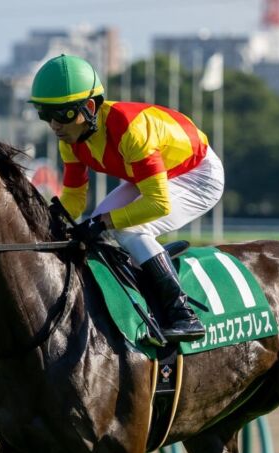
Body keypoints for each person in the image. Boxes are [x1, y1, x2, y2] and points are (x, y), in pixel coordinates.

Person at [29, 54, 224, 343]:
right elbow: (74, 199)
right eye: (45, 114)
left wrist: (103, 222)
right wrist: (44, 223)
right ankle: (146, 268)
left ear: (89, 107)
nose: (55, 125)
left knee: (125, 228)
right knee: (100, 231)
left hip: (197, 175)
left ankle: (183, 315)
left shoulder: (130, 129)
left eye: (63, 114)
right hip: (155, 177)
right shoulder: (70, 140)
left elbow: (158, 204)